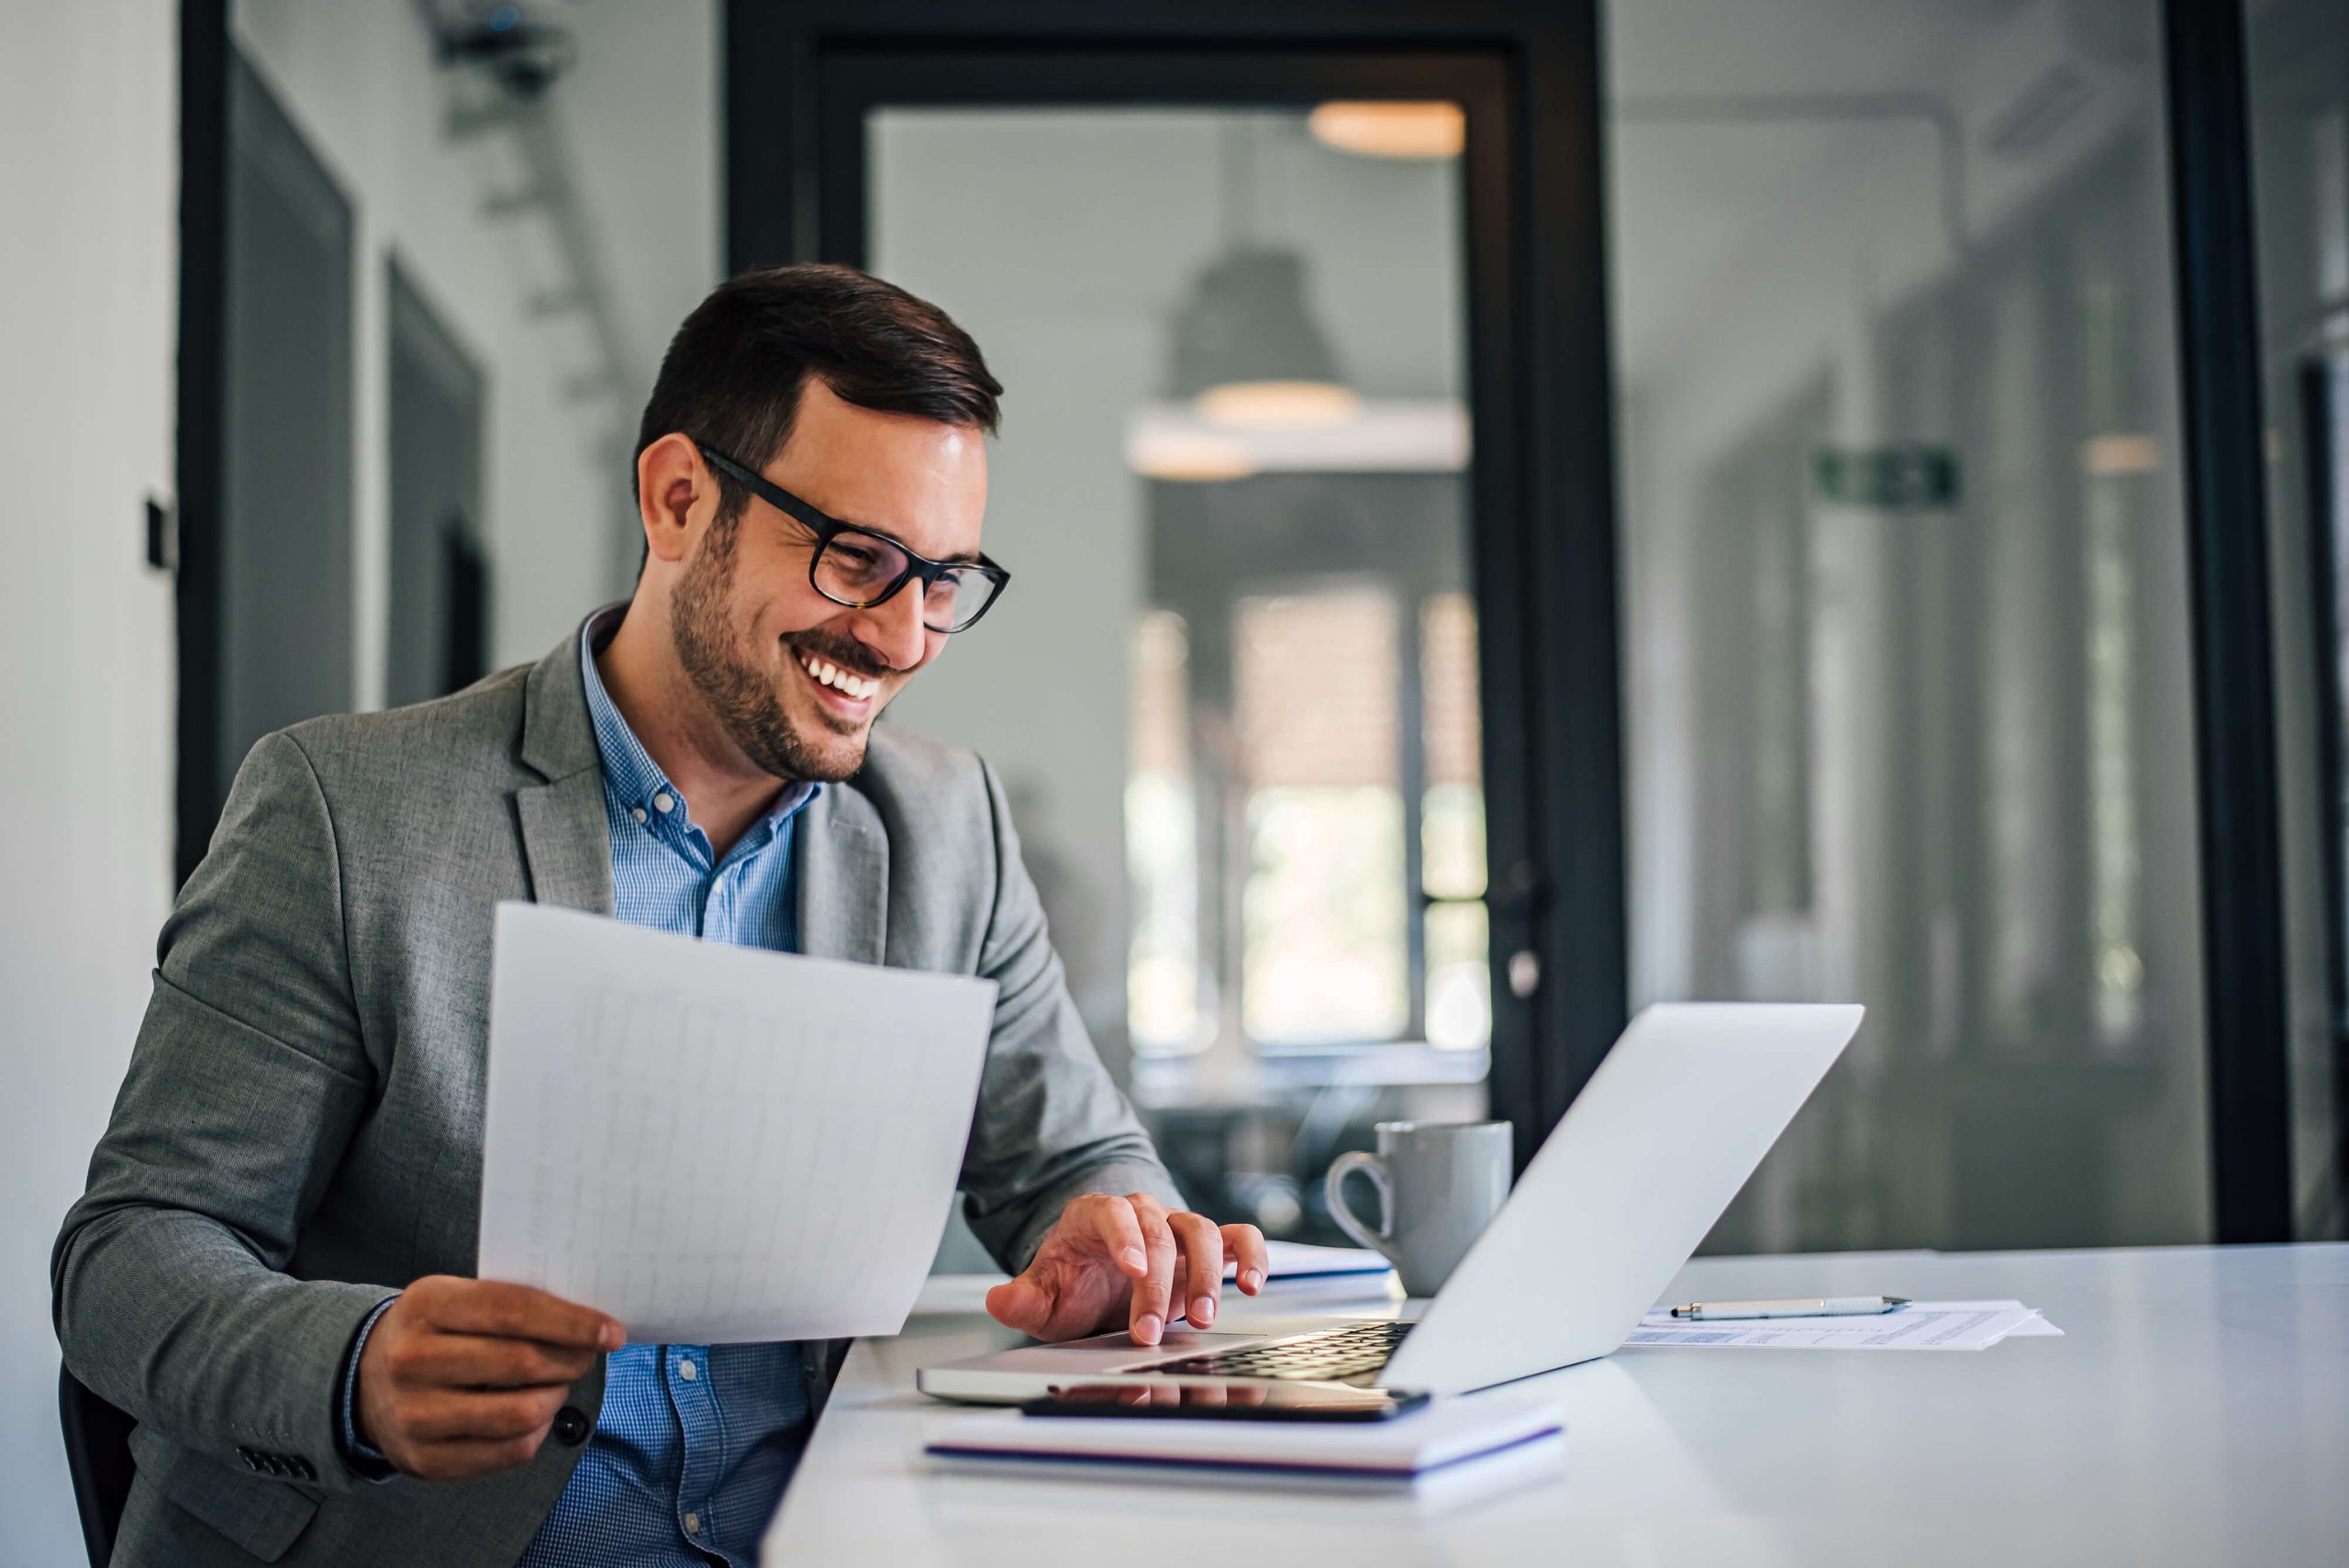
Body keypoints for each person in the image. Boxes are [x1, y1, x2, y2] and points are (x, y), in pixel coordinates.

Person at [54, 262, 1267, 1568]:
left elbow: (1075, 1162)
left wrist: (1113, 1230)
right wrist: (354, 1367)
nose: (904, 636)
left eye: (943, 581)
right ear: (680, 498)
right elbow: (131, 1252)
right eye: (859, 559)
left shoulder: (947, 824)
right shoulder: (346, 810)